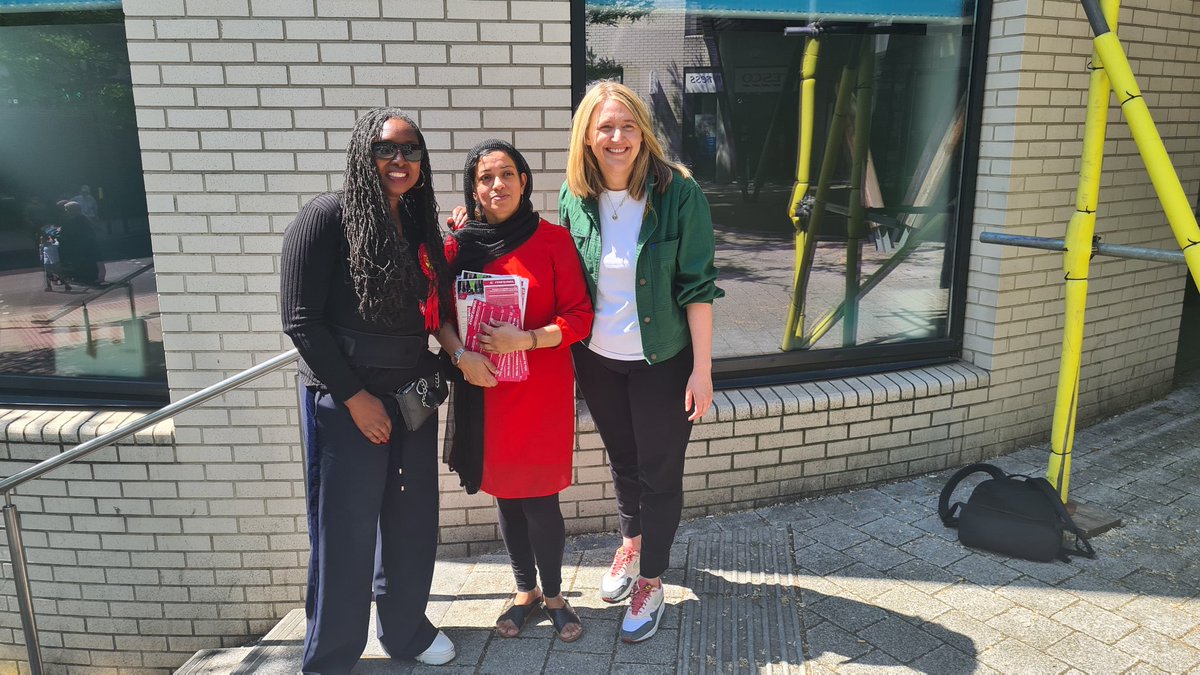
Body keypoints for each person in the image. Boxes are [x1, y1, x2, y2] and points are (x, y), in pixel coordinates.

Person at [280, 107, 457, 673]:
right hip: (345, 398)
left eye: (410, 150)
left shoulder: (421, 224)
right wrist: (356, 400)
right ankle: (331, 655)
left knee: (411, 524)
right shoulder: (324, 218)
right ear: (364, 154)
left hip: (412, 395)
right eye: (386, 149)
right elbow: (301, 321)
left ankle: (405, 630)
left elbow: (435, 310)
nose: (399, 161)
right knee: (346, 532)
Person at [558, 81, 724, 644]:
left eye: (628, 126)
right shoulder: (574, 198)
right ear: (588, 135)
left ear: (643, 134)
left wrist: (702, 370)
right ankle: (631, 545)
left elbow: (698, 287)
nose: (617, 137)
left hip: (662, 361)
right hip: (598, 359)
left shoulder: (678, 194)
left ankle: (651, 579)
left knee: (660, 471)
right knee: (622, 460)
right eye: (605, 127)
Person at [438, 139, 594, 642]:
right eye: (485, 177)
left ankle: (555, 595)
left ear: (524, 181)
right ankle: (524, 592)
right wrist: (464, 357)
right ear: (473, 188)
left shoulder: (553, 241)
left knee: (541, 498)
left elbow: (579, 317)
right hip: (487, 390)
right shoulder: (461, 246)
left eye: (507, 173)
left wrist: (525, 339)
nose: (497, 184)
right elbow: (439, 314)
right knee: (506, 496)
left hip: (541, 392)